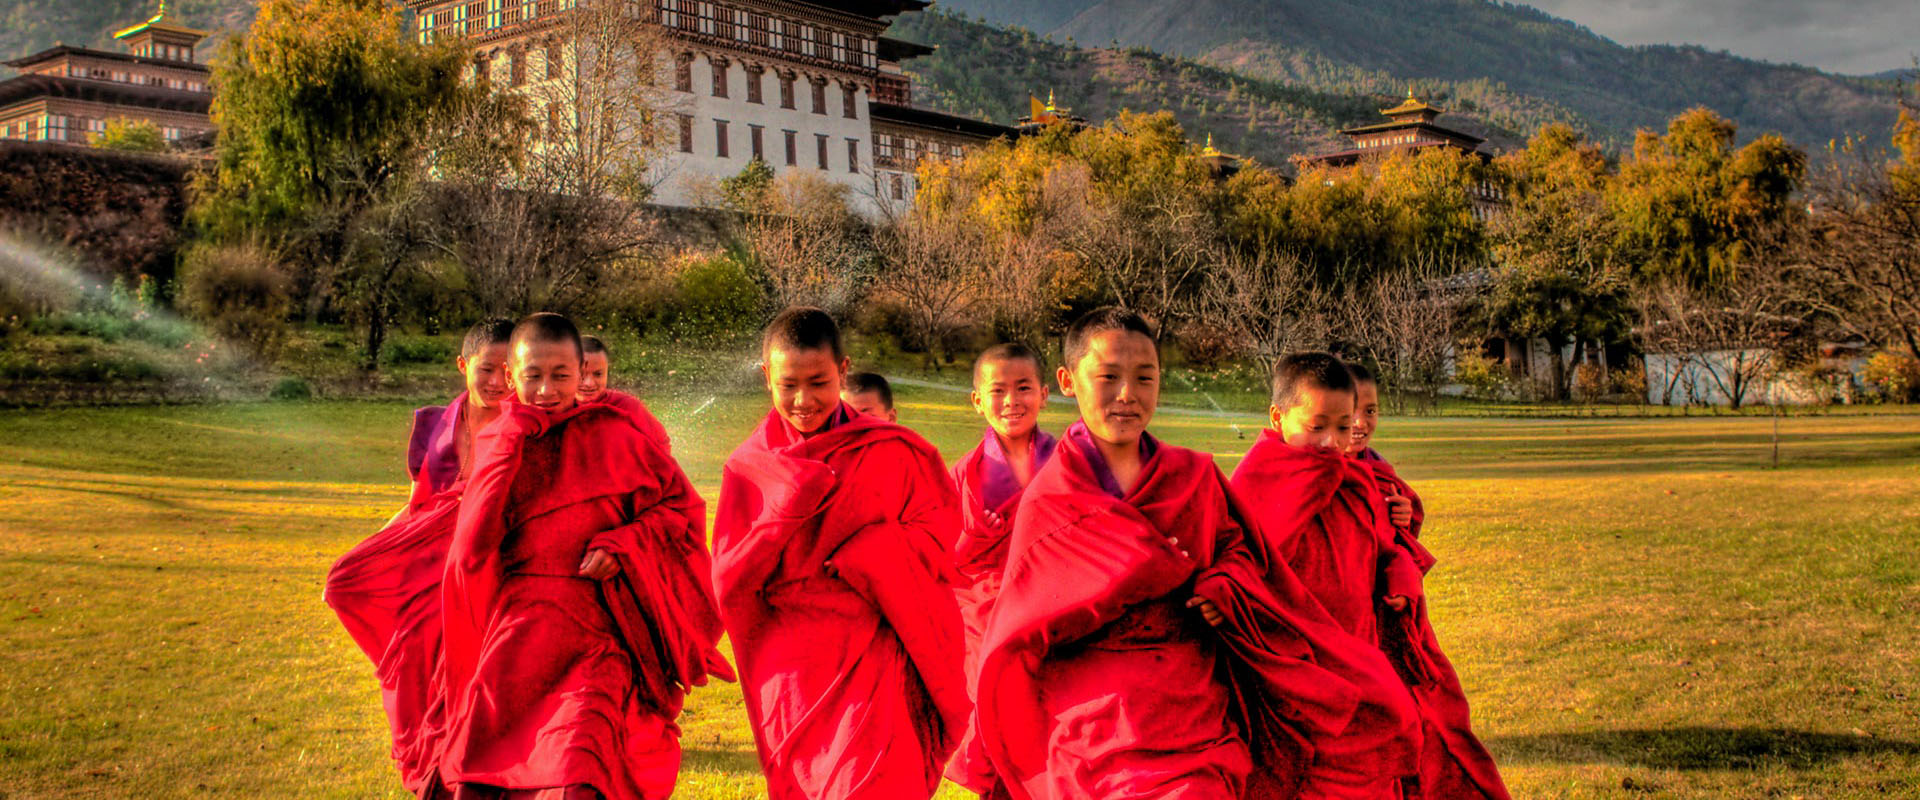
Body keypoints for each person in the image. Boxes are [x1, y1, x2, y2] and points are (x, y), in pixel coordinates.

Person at [974, 309, 1418, 800]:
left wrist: (1226, 584)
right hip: (1097, 719)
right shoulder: (1051, 500)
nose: (1127, 394)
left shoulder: (1193, 476)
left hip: (1193, 711)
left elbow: (1245, 554)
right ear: (1067, 381)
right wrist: (1144, 569)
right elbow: (1021, 630)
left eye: (1144, 377)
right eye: (1108, 377)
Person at [436, 312, 733, 800]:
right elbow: (471, 547)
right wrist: (512, 439)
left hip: (600, 631)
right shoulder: (498, 440)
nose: (547, 390)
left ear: (584, 375)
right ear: (512, 376)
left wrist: (626, 543)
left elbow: (681, 511)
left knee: (580, 760)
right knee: (485, 765)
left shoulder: (617, 434)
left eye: (561, 376)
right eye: (533, 377)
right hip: (521, 632)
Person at [711, 307, 968, 800]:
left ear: (843, 371)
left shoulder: (893, 450)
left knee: (867, 784)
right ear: (766, 376)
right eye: (788, 385)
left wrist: (876, 553)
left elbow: (938, 539)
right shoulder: (749, 467)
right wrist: (780, 515)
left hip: (873, 645)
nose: (803, 400)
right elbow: (727, 578)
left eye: (819, 383)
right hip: (791, 665)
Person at [323, 318, 513, 793]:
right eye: (487, 369)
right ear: (462, 365)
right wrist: (364, 556)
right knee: (409, 651)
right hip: (429, 562)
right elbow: (417, 503)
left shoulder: (527, 424)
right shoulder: (435, 426)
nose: (498, 382)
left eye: (510, 371)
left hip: (487, 561)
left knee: (460, 654)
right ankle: (436, 749)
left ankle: (464, 750)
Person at [1231, 352, 1431, 797]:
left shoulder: (1356, 479)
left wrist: (1401, 574)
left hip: (1361, 652)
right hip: (1298, 670)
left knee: (1374, 763)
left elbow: (1385, 549)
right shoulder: (1259, 479)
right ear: (1278, 417)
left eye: (1343, 427)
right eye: (1316, 427)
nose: (1331, 443)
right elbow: (1235, 564)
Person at [1346, 364, 1511, 800]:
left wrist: (1403, 512)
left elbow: (1398, 536)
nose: (1362, 423)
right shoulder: (1318, 468)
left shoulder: (1376, 467)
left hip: (1388, 616)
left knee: (1429, 710)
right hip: (1347, 619)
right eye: (1352, 412)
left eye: (1372, 410)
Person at [944, 342, 1057, 796]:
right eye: (998, 391)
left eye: (1024, 388)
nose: (1012, 401)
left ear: (1045, 395)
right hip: (985, 611)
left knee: (1047, 717)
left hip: (1050, 604)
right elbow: (941, 556)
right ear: (977, 401)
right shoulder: (965, 473)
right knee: (992, 708)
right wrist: (974, 538)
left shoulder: (1068, 461)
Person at [578, 335, 610, 404]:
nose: (589, 383)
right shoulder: (552, 410)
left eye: (598, 374)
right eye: (581, 374)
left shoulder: (626, 407)